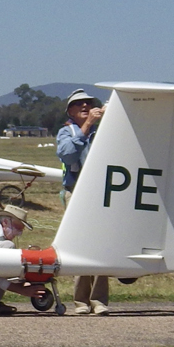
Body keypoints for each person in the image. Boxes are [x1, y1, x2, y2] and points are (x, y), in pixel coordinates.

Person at [57, 88, 109, 315]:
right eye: (79, 105)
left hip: (101, 193)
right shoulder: (66, 132)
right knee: (79, 245)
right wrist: (86, 127)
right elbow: (67, 155)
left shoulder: (104, 130)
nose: (85, 107)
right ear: (70, 111)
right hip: (76, 192)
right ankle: (80, 302)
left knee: (101, 246)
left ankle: (98, 300)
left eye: (88, 103)